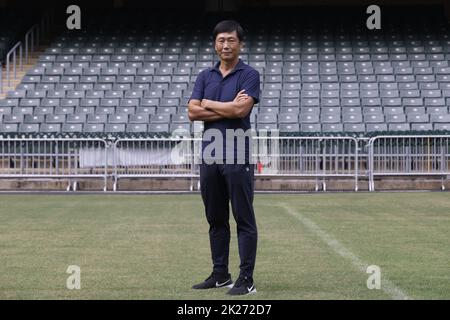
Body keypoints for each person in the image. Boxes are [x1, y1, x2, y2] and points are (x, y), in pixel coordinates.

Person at [188, 20, 260, 296]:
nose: (225, 45)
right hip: (209, 153)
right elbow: (192, 113)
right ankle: (220, 275)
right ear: (215, 44)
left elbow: (241, 111)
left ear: (240, 44)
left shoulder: (249, 74)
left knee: (243, 217)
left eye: (231, 40)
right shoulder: (205, 76)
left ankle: (246, 279)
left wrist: (208, 103)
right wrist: (227, 108)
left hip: (237, 151)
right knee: (215, 217)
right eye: (221, 40)